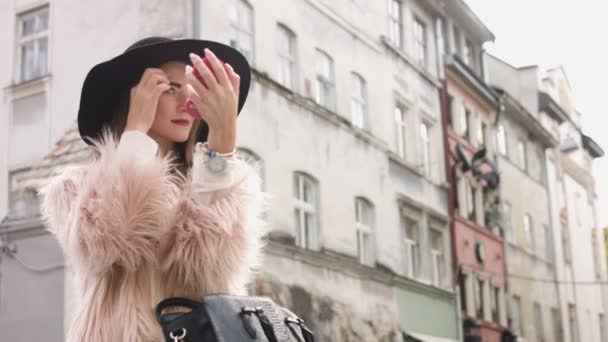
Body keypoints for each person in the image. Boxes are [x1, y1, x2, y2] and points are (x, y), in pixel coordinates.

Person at [39, 37, 268, 341]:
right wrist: (136, 130)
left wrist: (222, 142)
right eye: (169, 88)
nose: (185, 103)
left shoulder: (212, 184)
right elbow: (110, 240)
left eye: (193, 91)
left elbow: (208, 267)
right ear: (134, 97)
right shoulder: (78, 188)